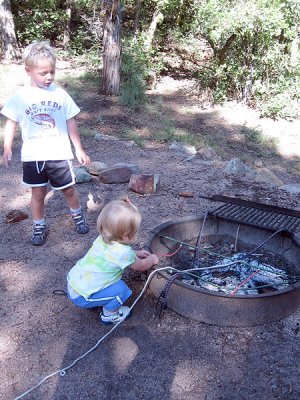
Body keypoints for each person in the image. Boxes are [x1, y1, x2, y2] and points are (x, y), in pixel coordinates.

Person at [1, 41, 90, 245]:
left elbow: (70, 121)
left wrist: (79, 148)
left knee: (68, 189)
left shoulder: (59, 94)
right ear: (28, 71)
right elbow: (11, 122)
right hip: (33, 156)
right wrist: (7, 148)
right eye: (43, 73)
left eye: (52, 71)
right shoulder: (21, 97)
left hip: (59, 153)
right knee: (38, 193)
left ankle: (77, 215)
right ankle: (39, 225)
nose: (49, 77)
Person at [67, 199, 159, 325]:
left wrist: (136, 253)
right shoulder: (123, 254)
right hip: (82, 297)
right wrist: (152, 259)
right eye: (135, 231)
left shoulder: (103, 239)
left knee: (114, 287)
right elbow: (141, 266)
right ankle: (109, 316)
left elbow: (116, 253)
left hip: (74, 284)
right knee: (121, 290)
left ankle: (98, 299)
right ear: (127, 235)